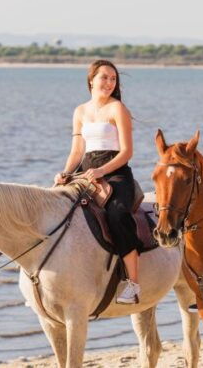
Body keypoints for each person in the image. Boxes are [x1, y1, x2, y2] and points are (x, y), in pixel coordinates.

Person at [54, 59, 142, 304]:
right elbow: (77, 150)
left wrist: (102, 171)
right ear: (91, 79)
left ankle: (133, 284)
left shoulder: (118, 109)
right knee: (58, 206)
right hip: (86, 170)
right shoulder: (80, 111)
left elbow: (127, 152)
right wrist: (65, 173)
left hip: (116, 171)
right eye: (104, 77)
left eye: (113, 79)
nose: (109, 83)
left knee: (117, 214)